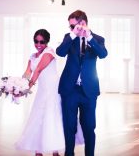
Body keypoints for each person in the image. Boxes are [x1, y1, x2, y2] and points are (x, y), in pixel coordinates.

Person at [56, 10, 108, 156]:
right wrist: (73, 34)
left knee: (89, 126)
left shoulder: (97, 38)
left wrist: (89, 37)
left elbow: (103, 55)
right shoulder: (69, 37)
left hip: (89, 91)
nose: (71, 29)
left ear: (83, 23)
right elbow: (60, 52)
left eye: (73, 26)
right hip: (69, 90)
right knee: (69, 126)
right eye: (70, 27)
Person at [15, 29, 65, 156]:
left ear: (47, 42)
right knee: (38, 117)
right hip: (42, 90)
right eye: (36, 41)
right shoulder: (32, 56)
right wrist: (18, 86)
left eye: (42, 42)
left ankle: (55, 150)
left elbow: (37, 70)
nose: (38, 44)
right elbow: (27, 73)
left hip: (53, 89)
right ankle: (38, 149)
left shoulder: (49, 52)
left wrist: (27, 89)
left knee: (53, 116)